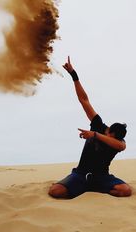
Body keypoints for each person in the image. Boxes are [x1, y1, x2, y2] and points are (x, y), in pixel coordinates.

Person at [48, 56, 132, 199]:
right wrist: (74, 75)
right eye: (109, 135)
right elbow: (84, 100)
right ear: (108, 129)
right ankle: (79, 187)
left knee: (125, 190)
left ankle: (95, 189)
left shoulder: (118, 142)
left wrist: (94, 135)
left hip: (102, 176)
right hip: (81, 173)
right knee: (55, 192)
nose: (109, 138)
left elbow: (121, 146)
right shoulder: (98, 124)